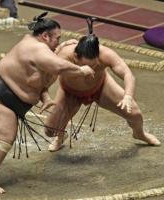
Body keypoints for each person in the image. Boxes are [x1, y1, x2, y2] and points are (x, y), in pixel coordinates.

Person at [0, 12, 95, 195]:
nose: (59, 41)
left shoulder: (34, 45)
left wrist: (46, 99)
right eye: (57, 38)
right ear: (44, 36)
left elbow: (40, 80)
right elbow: (59, 67)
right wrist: (81, 70)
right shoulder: (37, 49)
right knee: (5, 138)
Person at [44, 17, 161, 152]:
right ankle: (60, 136)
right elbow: (46, 79)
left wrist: (128, 96)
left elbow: (127, 74)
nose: (89, 71)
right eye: (84, 66)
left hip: (101, 87)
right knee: (50, 130)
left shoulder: (105, 54)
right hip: (69, 91)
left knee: (135, 114)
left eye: (93, 65)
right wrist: (44, 96)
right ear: (75, 56)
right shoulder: (62, 56)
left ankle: (139, 134)